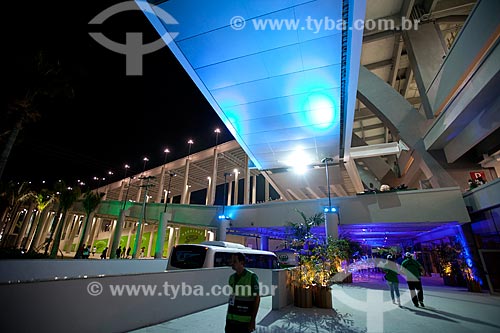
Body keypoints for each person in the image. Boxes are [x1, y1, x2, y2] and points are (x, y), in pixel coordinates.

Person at [225, 252, 260, 333]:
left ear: (242, 263)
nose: (232, 264)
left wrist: (252, 320)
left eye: (235, 261)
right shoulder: (231, 278)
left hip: (244, 320)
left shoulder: (251, 277)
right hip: (231, 319)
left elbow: (257, 299)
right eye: (231, 261)